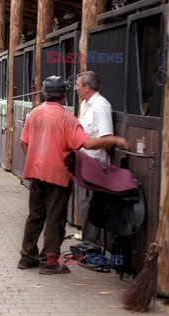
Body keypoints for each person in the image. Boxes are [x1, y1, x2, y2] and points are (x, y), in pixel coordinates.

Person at [17, 75, 129, 275]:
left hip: (36, 173)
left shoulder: (34, 113)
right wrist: (115, 140)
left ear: (44, 93)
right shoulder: (67, 118)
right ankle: (49, 263)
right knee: (55, 220)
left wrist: (35, 160)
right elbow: (87, 144)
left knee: (34, 217)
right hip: (58, 175)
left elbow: (23, 142)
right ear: (65, 95)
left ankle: (27, 258)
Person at [73, 71, 113, 253]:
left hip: (95, 163)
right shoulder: (85, 105)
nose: (75, 88)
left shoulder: (101, 106)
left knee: (90, 204)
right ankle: (87, 242)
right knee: (83, 203)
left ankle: (93, 245)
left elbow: (107, 137)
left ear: (86, 88)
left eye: (78, 85)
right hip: (83, 162)